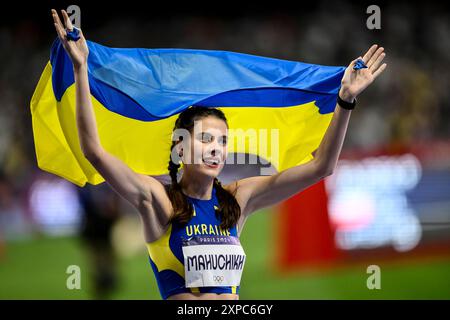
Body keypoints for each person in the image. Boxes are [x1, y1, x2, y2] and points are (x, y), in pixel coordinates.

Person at [51, 9, 387, 300]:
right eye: (206, 139)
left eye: (223, 141)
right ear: (180, 147)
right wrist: (81, 69)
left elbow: (321, 167)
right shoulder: (159, 202)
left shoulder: (238, 199)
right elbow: (94, 151)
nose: (216, 149)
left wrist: (345, 100)